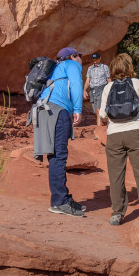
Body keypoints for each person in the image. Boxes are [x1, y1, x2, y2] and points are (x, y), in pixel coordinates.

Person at [98, 54, 139, 226]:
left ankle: (117, 213)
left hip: (114, 135)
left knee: (116, 175)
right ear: (129, 66)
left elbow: (103, 114)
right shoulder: (137, 83)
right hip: (135, 132)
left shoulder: (108, 87)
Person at [43, 47, 86, 216]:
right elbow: (76, 85)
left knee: (54, 155)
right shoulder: (71, 65)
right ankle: (59, 202)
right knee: (59, 155)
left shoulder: (55, 68)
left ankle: (62, 198)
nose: (81, 59)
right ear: (72, 56)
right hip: (58, 110)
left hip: (44, 110)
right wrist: (77, 109)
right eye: (79, 55)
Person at [83, 52, 109, 139]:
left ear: (100, 58)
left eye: (96, 59)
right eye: (93, 60)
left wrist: (110, 90)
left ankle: (98, 131)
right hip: (93, 90)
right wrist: (84, 90)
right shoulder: (90, 69)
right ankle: (102, 127)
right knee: (96, 111)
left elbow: (109, 79)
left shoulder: (105, 67)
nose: (95, 61)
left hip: (102, 89)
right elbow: (87, 80)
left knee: (98, 110)